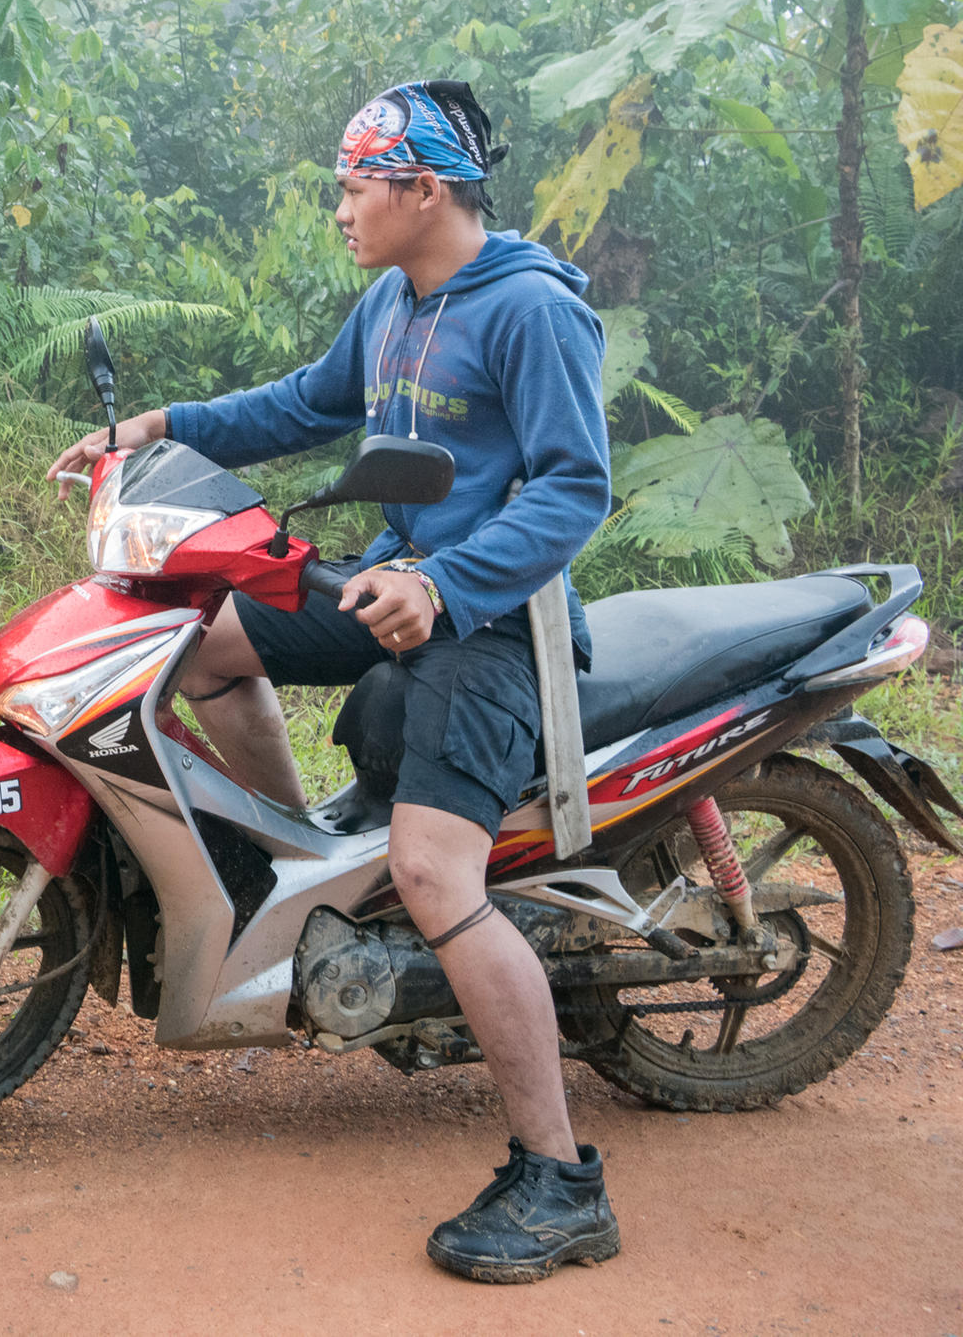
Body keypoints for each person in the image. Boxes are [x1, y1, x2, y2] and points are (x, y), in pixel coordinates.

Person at [47, 80, 619, 1283]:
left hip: (490, 625)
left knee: (430, 869)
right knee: (197, 648)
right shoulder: (392, 300)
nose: (340, 209)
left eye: (354, 186)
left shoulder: (527, 309)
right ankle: (286, 868)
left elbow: (573, 487)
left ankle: (561, 1180)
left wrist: (449, 586)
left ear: (421, 188)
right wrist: (147, 429)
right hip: (387, 581)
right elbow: (307, 403)